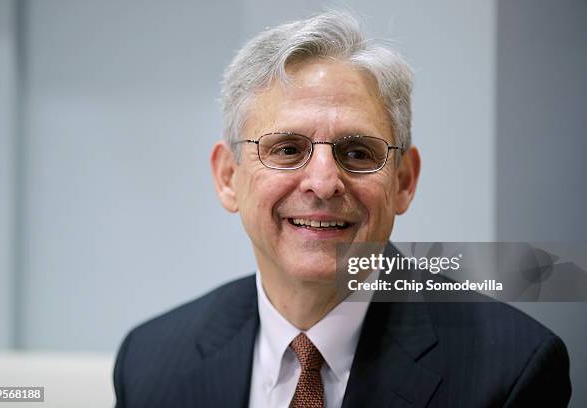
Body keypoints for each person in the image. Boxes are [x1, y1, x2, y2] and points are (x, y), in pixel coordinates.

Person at [113, 11, 571, 408]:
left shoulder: (511, 370)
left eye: (357, 152)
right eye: (288, 149)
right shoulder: (150, 362)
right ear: (228, 177)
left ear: (404, 181)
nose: (323, 183)